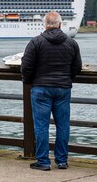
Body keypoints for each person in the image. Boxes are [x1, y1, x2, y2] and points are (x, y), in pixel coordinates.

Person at [21, 11, 82, 171]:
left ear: (45, 25)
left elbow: (26, 67)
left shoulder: (36, 42)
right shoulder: (71, 43)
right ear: (60, 25)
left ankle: (43, 161)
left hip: (40, 88)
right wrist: (67, 79)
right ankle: (62, 160)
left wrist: (29, 81)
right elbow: (77, 67)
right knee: (63, 125)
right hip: (63, 88)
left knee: (41, 126)